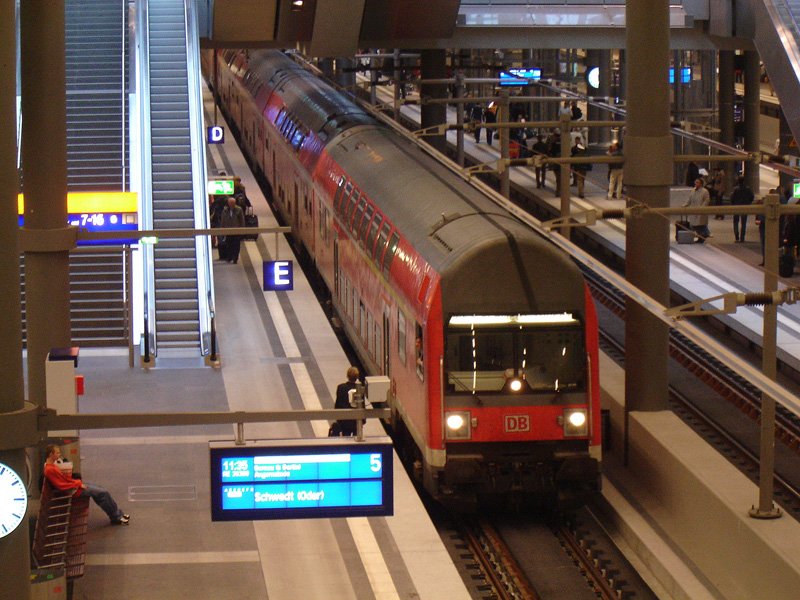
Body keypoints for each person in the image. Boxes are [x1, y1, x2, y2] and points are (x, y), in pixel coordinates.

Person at [44, 444, 130, 525]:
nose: (59, 454)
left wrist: (77, 483)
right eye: (57, 452)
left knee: (100, 491)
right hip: (72, 491)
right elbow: (61, 485)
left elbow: (63, 481)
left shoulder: (51, 466)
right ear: (51, 454)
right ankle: (115, 517)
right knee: (102, 493)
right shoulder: (50, 469)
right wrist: (78, 484)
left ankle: (116, 513)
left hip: (73, 487)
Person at [332, 366, 361, 436]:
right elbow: (361, 406)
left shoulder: (341, 387)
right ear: (357, 377)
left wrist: (338, 418)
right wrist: (362, 421)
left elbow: (337, 404)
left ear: (347, 376)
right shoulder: (359, 390)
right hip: (356, 421)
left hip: (344, 420)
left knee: (346, 436)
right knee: (356, 437)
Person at [684, 178, 711, 243]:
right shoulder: (693, 190)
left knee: (700, 224)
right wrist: (685, 205)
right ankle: (703, 235)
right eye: (695, 182)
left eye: (697, 182)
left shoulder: (705, 191)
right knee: (694, 225)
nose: (696, 184)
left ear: (701, 184)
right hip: (693, 209)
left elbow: (706, 200)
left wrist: (702, 207)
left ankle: (703, 236)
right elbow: (689, 199)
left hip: (700, 210)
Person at [219, 196, 245, 263]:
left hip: (236, 231)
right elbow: (223, 220)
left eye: (233, 203)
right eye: (230, 203)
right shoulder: (225, 210)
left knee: (236, 245)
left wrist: (242, 230)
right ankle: (229, 257)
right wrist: (222, 230)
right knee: (229, 244)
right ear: (228, 203)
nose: (231, 205)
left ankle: (235, 258)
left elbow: (242, 221)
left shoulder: (239, 210)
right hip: (228, 231)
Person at [730, 176, 754, 242]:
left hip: (736, 206)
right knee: (743, 223)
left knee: (735, 222)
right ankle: (742, 237)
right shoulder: (748, 189)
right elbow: (752, 197)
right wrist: (748, 202)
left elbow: (732, 198)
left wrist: (733, 204)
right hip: (745, 206)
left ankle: (736, 236)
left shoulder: (736, 189)